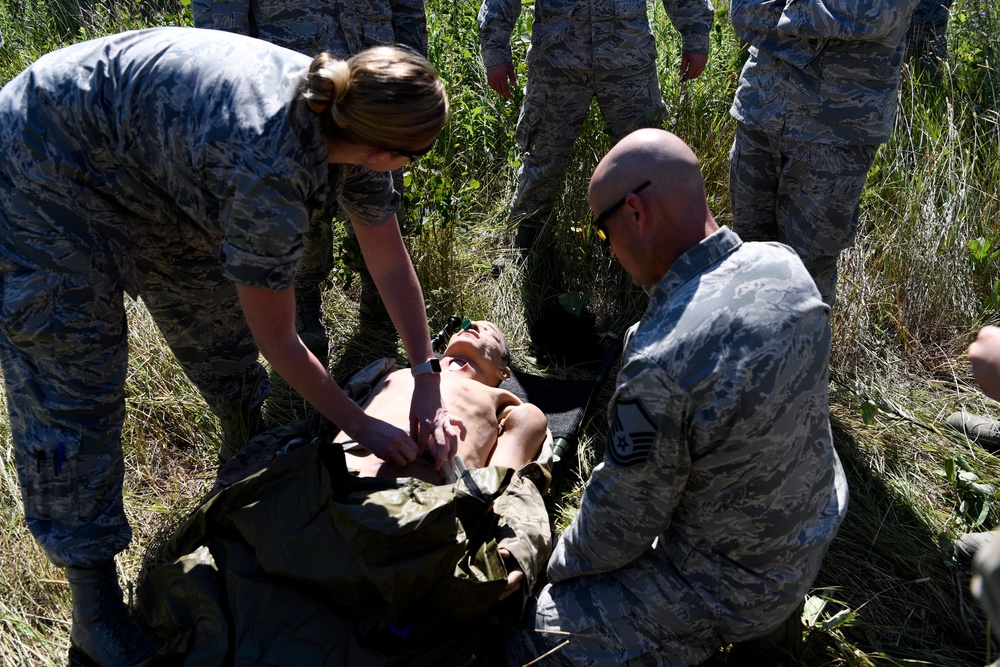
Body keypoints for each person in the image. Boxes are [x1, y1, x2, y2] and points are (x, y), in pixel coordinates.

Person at [0, 27, 457, 666]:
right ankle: (93, 608)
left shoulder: (350, 109)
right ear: (387, 150)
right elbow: (281, 339)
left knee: (219, 331)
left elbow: (387, 257)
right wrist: (360, 426)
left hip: (153, 169)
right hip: (45, 165)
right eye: (418, 154)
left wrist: (427, 373)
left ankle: (245, 441)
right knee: (73, 380)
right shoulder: (272, 172)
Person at [499, 128, 848, 666]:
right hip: (816, 518)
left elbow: (620, 524)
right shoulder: (783, 264)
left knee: (534, 636)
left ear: (635, 211)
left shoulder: (661, 354)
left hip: (735, 582)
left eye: (602, 232)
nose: (609, 249)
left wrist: (552, 568)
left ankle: (740, 627)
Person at [193, 0, 430, 355]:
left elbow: (407, 7)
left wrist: (410, 82)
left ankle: (379, 308)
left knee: (380, 208)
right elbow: (224, 36)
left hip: (376, 95)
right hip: (293, 101)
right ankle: (301, 307)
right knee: (301, 216)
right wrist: (252, 110)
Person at [478, 0, 714, 250]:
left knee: (644, 161)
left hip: (628, 60)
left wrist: (696, 36)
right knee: (544, 158)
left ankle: (644, 245)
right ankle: (524, 244)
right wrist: (495, 51)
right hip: (557, 62)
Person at [728, 1, 920, 306]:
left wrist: (780, 19)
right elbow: (744, 10)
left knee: (806, 273)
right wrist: (812, 24)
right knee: (747, 255)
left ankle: (802, 352)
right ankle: (751, 350)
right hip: (761, 111)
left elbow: (864, 15)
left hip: (835, 129)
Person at [337, 319, 548, 489]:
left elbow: (501, 483)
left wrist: (487, 507)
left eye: (489, 332)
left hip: (420, 494)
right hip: (336, 469)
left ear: (503, 371)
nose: (471, 326)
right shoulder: (389, 370)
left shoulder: (503, 403)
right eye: (465, 325)